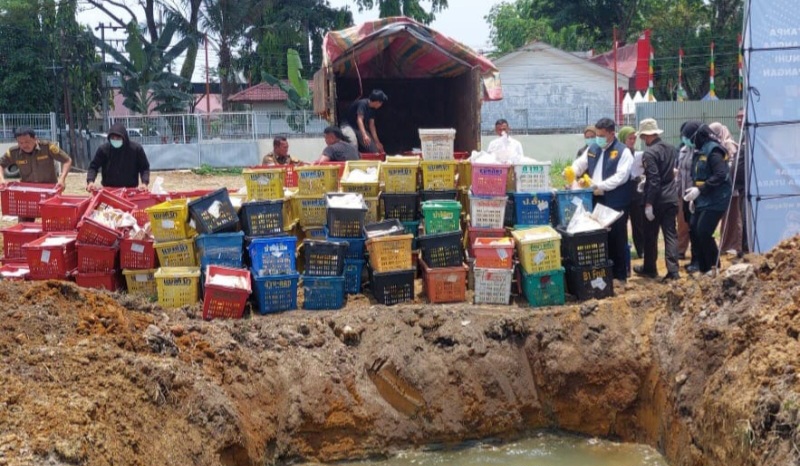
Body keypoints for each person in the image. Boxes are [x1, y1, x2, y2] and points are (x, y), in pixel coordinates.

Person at [570, 117, 634, 283]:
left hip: (616, 200)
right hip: (597, 199)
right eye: (597, 134)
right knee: (601, 237)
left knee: (618, 237)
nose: (598, 138)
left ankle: (620, 276)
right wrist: (571, 170)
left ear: (612, 134)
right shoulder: (593, 148)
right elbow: (580, 163)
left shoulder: (622, 151)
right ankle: (606, 274)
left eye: (601, 135)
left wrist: (600, 185)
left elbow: (621, 177)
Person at [681, 121, 731, 275]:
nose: (687, 141)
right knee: (695, 228)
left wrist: (700, 190)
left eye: (689, 138)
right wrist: (694, 196)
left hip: (717, 198)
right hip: (703, 198)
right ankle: (704, 268)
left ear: (697, 136)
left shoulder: (713, 150)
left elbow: (720, 174)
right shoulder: (700, 150)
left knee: (704, 230)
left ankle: (713, 266)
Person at [633, 118, 680, 281]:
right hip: (671, 196)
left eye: (643, 137)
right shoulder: (670, 148)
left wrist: (649, 203)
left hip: (657, 199)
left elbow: (654, 180)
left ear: (647, 136)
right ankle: (673, 271)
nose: (643, 140)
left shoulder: (650, 153)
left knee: (650, 235)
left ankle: (650, 268)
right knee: (670, 234)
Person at [0, 127, 72, 190]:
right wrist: (1, 179)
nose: (24, 145)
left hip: (49, 188)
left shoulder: (47, 147)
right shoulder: (13, 152)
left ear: (35, 139)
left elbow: (67, 160)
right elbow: (1, 164)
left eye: (27, 142)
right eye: (20, 143)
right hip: (27, 189)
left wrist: (62, 178)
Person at [86, 122, 150, 191]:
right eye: (113, 138)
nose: (115, 140)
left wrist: (144, 183)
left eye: (118, 138)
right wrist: (90, 181)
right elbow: (93, 167)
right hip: (109, 191)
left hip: (130, 190)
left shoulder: (136, 149)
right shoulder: (103, 150)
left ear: (124, 137)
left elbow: (144, 168)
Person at [714, 117, 745, 257]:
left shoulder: (728, 144)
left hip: (731, 187)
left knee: (733, 217)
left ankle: (735, 245)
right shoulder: (718, 145)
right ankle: (726, 245)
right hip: (723, 188)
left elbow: (733, 164)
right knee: (726, 217)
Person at [618, 125, 645, 259]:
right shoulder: (618, 154)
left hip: (635, 190)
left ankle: (641, 249)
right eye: (630, 138)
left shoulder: (637, 154)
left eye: (634, 138)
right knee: (622, 222)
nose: (632, 141)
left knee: (638, 222)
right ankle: (623, 249)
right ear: (623, 139)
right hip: (622, 190)